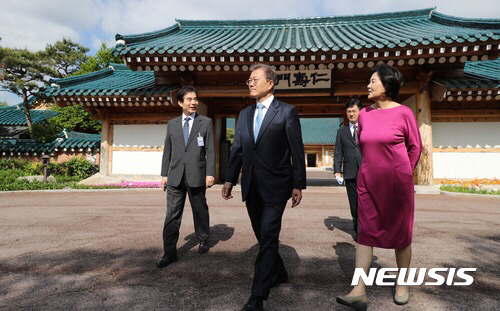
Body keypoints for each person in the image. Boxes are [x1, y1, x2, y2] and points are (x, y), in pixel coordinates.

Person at [337, 64, 422, 310]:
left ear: (387, 86)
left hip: (397, 184)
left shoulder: (404, 113)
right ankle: (358, 290)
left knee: (401, 235)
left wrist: (405, 172)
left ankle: (402, 283)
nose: (368, 85)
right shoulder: (364, 113)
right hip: (368, 182)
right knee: (365, 233)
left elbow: (415, 146)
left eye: (373, 81)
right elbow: (363, 145)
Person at [222, 63, 306, 311]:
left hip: (277, 186)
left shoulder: (286, 112)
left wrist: (298, 183)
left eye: (255, 79)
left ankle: (257, 296)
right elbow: (237, 148)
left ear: (270, 83)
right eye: (248, 79)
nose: (250, 82)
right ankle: (279, 271)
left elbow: (296, 150)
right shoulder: (245, 114)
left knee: (268, 236)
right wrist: (229, 179)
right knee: (262, 235)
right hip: (251, 185)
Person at [156, 85, 215, 268]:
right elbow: (168, 150)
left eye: (195, 99)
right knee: (172, 214)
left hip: (197, 173)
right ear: (180, 103)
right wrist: (164, 173)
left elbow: (210, 150)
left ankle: (203, 238)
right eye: (189, 99)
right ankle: (169, 252)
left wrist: (210, 173)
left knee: (200, 210)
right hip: (175, 175)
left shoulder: (205, 122)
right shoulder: (172, 124)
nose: (193, 102)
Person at [334, 98, 363, 241]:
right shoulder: (342, 131)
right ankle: (358, 229)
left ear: (360, 111)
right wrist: (337, 171)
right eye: (348, 111)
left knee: (367, 202)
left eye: (354, 111)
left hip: (367, 170)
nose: (351, 114)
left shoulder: (367, 128)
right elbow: (338, 151)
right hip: (350, 171)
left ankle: (368, 228)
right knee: (354, 202)